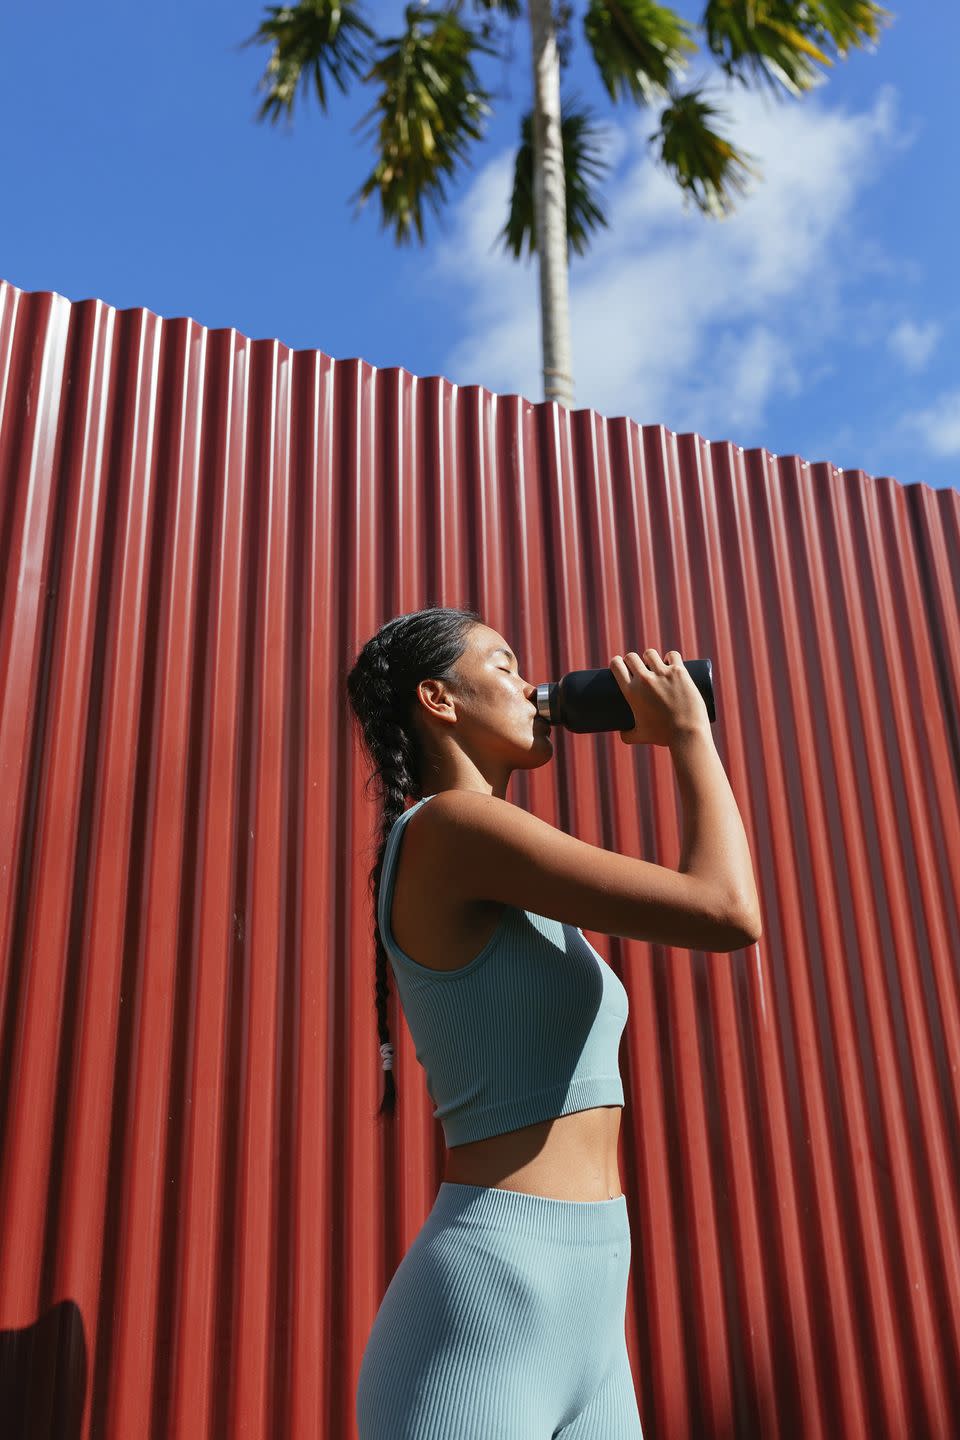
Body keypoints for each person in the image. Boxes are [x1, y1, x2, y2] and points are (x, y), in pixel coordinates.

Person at [346, 604, 761, 1439]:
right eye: (502, 666)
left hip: (589, 1303)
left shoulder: (493, 853)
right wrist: (689, 737)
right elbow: (726, 911)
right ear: (439, 699)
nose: (533, 686)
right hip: (490, 1309)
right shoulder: (453, 828)